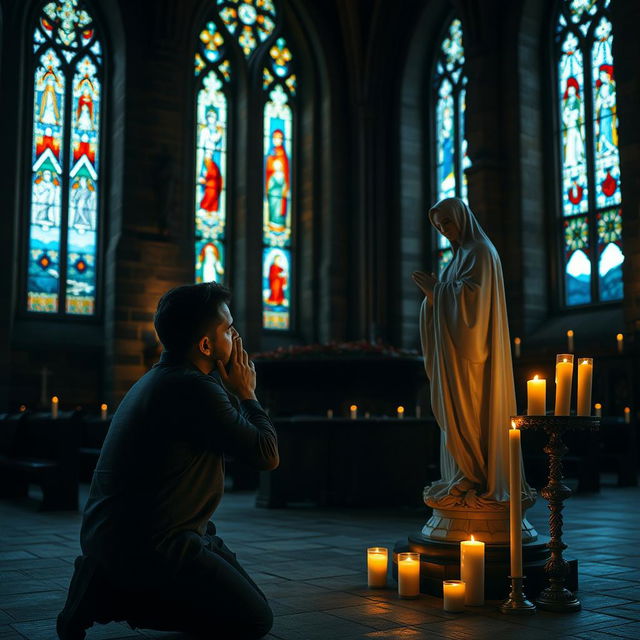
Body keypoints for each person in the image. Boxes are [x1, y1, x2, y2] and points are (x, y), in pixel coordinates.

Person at [57, 282, 279, 640]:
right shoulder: (194, 388)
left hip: (133, 534)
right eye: (228, 329)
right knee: (254, 621)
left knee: (238, 596)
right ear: (206, 345)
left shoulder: (161, 378)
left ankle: (114, 581)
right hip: (150, 545)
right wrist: (248, 394)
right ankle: (105, 596)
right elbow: (267, 456)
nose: (236, 337)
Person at [412, 197, 534, 509]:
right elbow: (451, 297)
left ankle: (476, 474)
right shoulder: (458, 257)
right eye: (439, 227)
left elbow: (474, 307)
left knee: (472, 416)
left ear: (462, 218)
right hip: (454, 357)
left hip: (472, 361)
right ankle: (463, 474)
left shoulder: (480, 252)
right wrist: (434, 296)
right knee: (456, 419)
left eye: (448, 223)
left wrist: (436, 291)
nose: (445, 231)